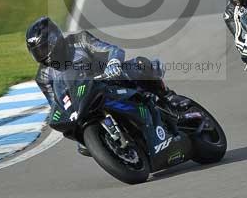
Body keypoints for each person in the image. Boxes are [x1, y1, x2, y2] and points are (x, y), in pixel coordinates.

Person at [25, 17, 189, 154]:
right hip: (83, 102)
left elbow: (111, 49)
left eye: (44, 48)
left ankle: (168, 97)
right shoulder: (43, 76)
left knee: (140, 65)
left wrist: (113, 63)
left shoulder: (79, 41)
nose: (43, 55)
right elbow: (56, 103)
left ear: (55, 39)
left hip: (110, 79)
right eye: (37, 52)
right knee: (77, 140)